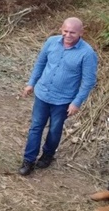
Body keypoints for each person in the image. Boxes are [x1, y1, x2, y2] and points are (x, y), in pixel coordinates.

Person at [18, 17, 98, 176]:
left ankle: (48, 155)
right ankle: (29, 160)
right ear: (61, 29)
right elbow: (40, 63)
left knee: (55, 130)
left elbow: (88, 81)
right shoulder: (51, 42)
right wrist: (31, 83)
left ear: (81, 32)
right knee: (36, 127)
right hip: (42, 94)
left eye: (72, 33)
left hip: (63, 100)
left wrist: (76, 102)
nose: (68, 35)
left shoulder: (87, 54)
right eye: (65, 31)